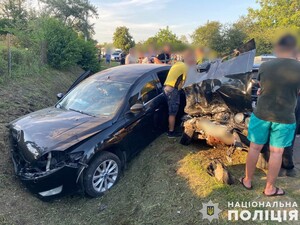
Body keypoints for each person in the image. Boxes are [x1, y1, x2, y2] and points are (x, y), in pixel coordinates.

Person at [240, 34, 300, 196]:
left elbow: (261, 87)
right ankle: (269, 188)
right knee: (276, 152)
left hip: (261, 114)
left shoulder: (265, 66)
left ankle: (247, 180)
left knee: (254, 147)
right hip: (285, 118)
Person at [163, 49, 196, 138]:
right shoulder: (186, 67)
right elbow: (186, 82)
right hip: (172, 90)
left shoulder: (177, 64)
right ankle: (171, 132)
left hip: (166, 88)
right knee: (172, 112)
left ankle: (170, 128)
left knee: (170, 110)